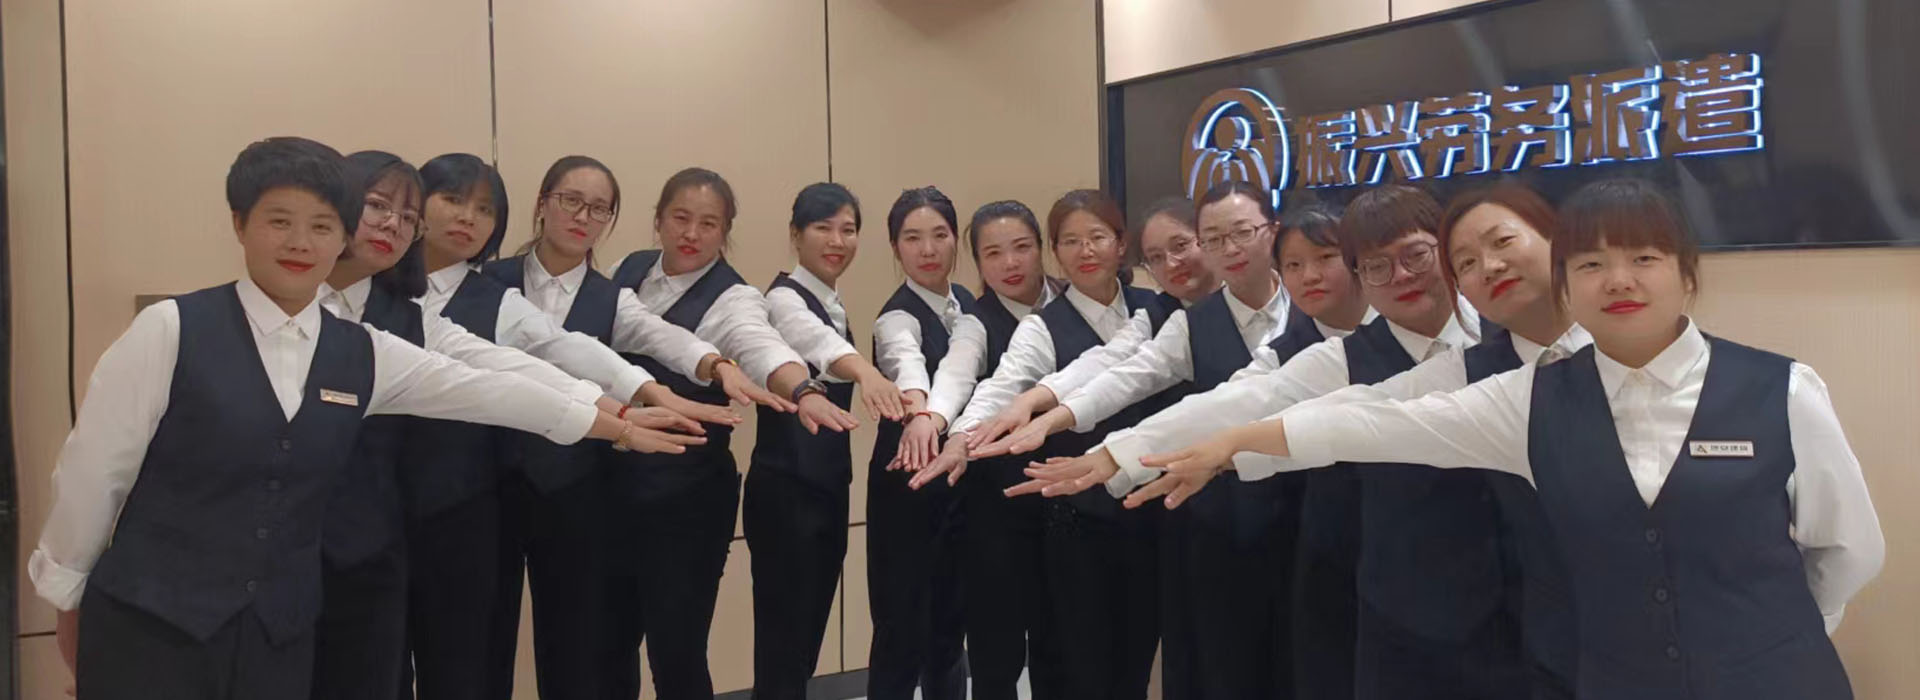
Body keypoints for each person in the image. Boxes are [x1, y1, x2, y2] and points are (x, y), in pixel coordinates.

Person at [1148, 178, 1884, 700]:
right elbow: (1371, 420)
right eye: (1592, 265)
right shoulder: (1529, 397)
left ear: (1685, 273)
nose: (1617, 280)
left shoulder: (1781, 389)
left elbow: (1847, 551)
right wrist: (1231, 443)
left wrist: (1773, 631)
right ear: (1567, 277)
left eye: (1643, 259)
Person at [32, 137, 692, 700]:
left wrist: (616, 422)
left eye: (322, 227)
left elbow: (489, 385)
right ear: (240, 224)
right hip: (157, 616)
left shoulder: (366, 348)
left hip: (290, 615)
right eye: (280, 222)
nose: (301, 242)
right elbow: (93, 473)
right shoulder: (172, 328)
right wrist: (66, 595)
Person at [1014, 184, 1476, 700]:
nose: (1401, 276)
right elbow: (1237, 399)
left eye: (1416, 256)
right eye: (1377, 266)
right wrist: (1114, 452)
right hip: (1363, 559)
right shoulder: (1330, 356)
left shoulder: (1490, 335)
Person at [308, 151, 697, 700]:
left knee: (458, 665)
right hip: (322, 526)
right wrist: (618, 419)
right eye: (378, 207)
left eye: (406, 215)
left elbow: (514, 369)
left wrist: (623, 412)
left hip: (447, 509)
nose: (392, 225)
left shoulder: (423, 315)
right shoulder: (286, 307)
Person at [604, 166, 843, 699]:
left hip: (685, 498)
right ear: (658, 220)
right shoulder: (626, 270)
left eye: (708, 224)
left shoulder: (735, 298)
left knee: (677, 651)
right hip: (610, 486)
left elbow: (760, 345)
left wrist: (802, 388)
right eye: (680, 218)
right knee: (607, 644)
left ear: (725, 231)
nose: (692, 234)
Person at [747, 182, 906, 699]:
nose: (838, 241)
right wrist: (868, 374)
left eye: (848, 229)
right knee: (783, 641)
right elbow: (818, 344)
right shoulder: (782, 299)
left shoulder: (830, 300)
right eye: (823, 228)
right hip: (786, 489)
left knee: (803, 641)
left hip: (825, 487)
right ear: (796, 235)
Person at [862, 186, 979, 700]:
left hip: (962, 484)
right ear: (895, 247)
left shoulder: (969, 305)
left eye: (939, 235)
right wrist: (920, 411)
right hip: (905, 489)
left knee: (949, 628)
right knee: (900, 629)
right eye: (912, 238)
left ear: (956, 240)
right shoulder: (896, 317)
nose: (928, 250)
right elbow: (904, 360)